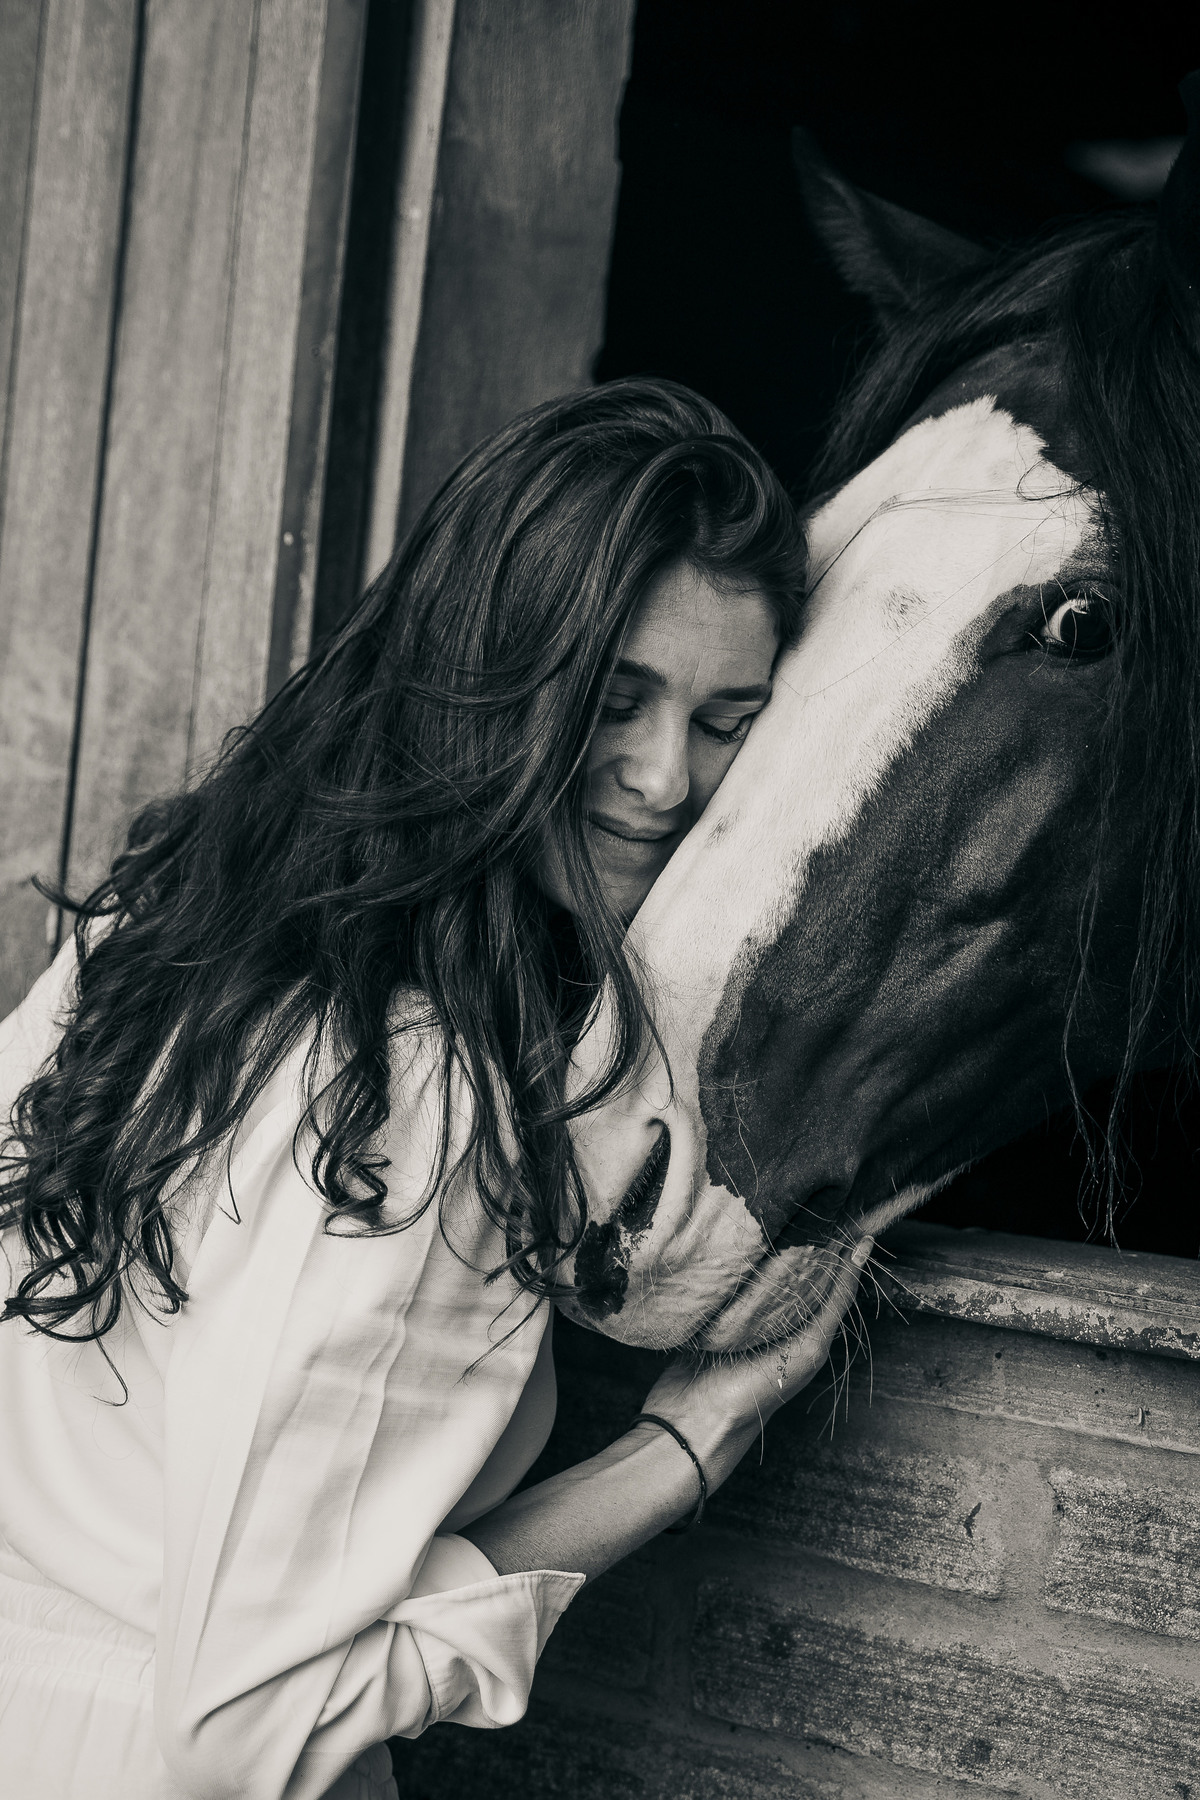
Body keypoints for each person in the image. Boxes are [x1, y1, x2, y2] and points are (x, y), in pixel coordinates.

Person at [0, 379, 870, 1800]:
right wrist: (683, 1448)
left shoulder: (154, 932)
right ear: (489, 672)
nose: (667, 780)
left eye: (731, 720)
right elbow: (248, 1733)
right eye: (616, 699)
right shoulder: (416, 1091)